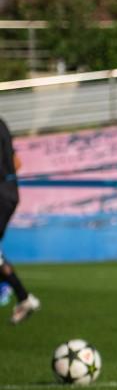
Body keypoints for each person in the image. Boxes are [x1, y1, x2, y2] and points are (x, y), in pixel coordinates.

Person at [0, 116, 39, 325]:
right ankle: (22, 297)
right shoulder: (3, 123)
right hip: (9, 194)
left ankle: (18, 294)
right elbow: (17, 162)